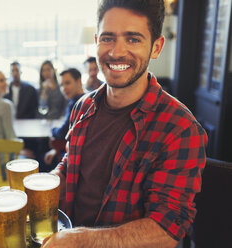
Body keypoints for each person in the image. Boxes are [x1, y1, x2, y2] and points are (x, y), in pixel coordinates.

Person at [42, 1, 208, 247]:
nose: (117, 52)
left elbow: (167, 228)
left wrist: (81, 241)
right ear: (97, 40)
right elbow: (71, 165)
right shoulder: (83, 106)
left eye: (133, 39)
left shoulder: (181, 128)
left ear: (156, 47)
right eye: (108, 38)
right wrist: (43, 188)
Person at [44, 68, 85, 167]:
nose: (64, 88)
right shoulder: (84, 98)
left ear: (78, 81)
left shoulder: (76, 103)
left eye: (67, 83)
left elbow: (63, 133)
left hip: (77, 157)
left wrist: (53, 130)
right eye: (62, 85)